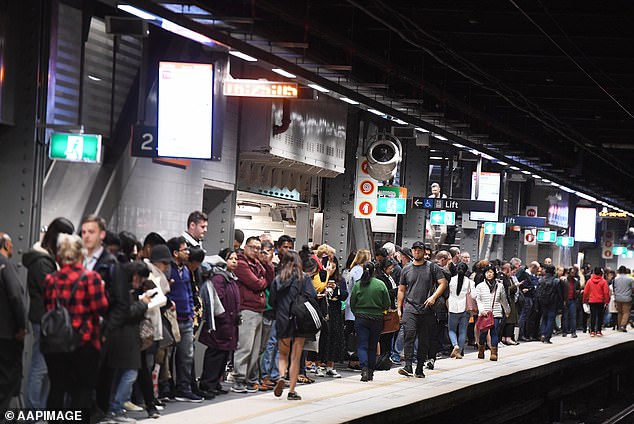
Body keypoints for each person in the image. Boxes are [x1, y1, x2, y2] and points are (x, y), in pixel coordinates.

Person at [43, 234, 109, 419]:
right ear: (81, 255)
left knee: (56, 388)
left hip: (55, 343)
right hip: (85, 341)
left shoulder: (50, 279)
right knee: (83, 389)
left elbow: (47, 306)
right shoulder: (91, 278)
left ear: (59, 257)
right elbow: (101, 308)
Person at [22, 217, 75, 410]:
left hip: (49, 318)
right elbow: (52, 289)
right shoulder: (41, 261)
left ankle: (41, 411)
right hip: (45, 319)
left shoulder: (48, 258)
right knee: (40, 367)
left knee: (47, 368)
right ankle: (34, 412)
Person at [269, 250, 317, 400]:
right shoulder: (304, 278)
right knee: (295, 357)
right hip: (300, 320)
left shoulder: (278, 279)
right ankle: (291, 390)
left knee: (283, 355)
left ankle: (282, 376)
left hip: (283, 319)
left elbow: (272, 301)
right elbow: (312, 296)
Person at [397, 241, 447, 378]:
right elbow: (401, 289)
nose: (417, 252)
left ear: (424, 252)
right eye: (414, 250)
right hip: (410, 308)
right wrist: (399, 308)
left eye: (419, 250)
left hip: (427, 309)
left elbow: (443, 283)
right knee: (409, 335)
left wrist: (434, 297)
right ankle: (408, 365)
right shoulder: (406, 269)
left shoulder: (432, 267)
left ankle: (419, 367)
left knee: (424, 340)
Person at [232, 236, 274, 393]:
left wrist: (268, 264)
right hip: (247, 309)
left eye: (258, 248)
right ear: (245, 247)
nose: (256, 251)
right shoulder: (241, 263)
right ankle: (239, 379)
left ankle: (250, 379)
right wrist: (262, 281)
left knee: (256, 349)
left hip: (259, 310)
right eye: (253, 247)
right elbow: (256, 284)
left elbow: (269, 280)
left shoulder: (258, 264)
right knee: (245, 347)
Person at [199, 251, 240, 398]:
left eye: (236, 258)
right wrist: (223, 317)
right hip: (220, 323)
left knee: (223, 354)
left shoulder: (230, 278)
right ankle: (207, 384)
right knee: (215, 353)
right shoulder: (219, 278)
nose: (234, 261)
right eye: (231, 258)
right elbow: (216, 300)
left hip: (228, 323)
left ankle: (215, 383)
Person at [0, 233, 27, 417]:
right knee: (7, 378)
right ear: (6, 245)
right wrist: (21, 326)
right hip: (7, 333)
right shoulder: (5, 265)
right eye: (10, 244)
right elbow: (16, 296)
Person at [350, 262, 391, 382]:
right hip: (377, 319)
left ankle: (364, 370)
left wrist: (357, 313)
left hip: (361, 318)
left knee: (362, 345)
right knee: (372, 346)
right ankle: (371, 371)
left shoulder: (358, 285)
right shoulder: (380, 284)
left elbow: (352, 302)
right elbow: (387, 303)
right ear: (374, 271)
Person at [473, 265, 510, 361]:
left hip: (496, 312)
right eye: (487, 272)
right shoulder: (480, 286)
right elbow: (478, 300)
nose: (489, 274)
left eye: (491, 272)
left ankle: (494, 353)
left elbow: (503, 300)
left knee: (495, 332)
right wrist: (482, 310)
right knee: (483, 333)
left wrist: (507, 310)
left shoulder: (500, 286)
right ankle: (481, 349)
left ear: (494, 273)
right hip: (484, 313)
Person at [447, 262, 473, 359]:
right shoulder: (470, 282)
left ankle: (455, 345)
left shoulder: (451, 280)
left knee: (451, 330)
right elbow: (473, 295)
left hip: (453, 308)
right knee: (463, 331)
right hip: (465, 308)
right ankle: (460, 352)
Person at [536, 265, 562, 344]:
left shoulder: (540, 280)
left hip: (542, 301)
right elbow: (559, 293)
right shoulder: (556, 281)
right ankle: (547, 337)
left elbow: (537, 292)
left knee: (544, 317)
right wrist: (561, 304)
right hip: (553, 302)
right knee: (551, 318)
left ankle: (543, 334)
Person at [583, 267, 609, 336]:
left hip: (592, 301)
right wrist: (607, 301)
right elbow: (606, 292)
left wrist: (584, 300)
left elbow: (585, 292)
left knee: (593, 316)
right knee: (600, 316)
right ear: (601, 273)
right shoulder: (603, 281)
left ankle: (592, 331)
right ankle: (599, 331)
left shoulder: (589, 281)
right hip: (600, 301)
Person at [613, 266, 634, 332]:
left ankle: (619, 326)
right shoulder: (630, 279)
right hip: (627, 298)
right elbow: (633, 289)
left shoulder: (615, 279)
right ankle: (622, 325)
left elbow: (614, 288)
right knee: (626, 312)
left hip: (618, 298)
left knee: (619, 312)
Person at [562, 267, 581, 338]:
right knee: (565, 317)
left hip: (573, 300)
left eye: (574, 273)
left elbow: (578, 289)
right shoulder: (564, 281)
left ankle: (573, 332)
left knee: (573, 316)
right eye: (572, 273)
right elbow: (561, 291)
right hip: (565, 300)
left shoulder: (576, 281)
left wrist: (577, 292)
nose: (573, 274)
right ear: (568, 273)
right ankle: (564, 331)